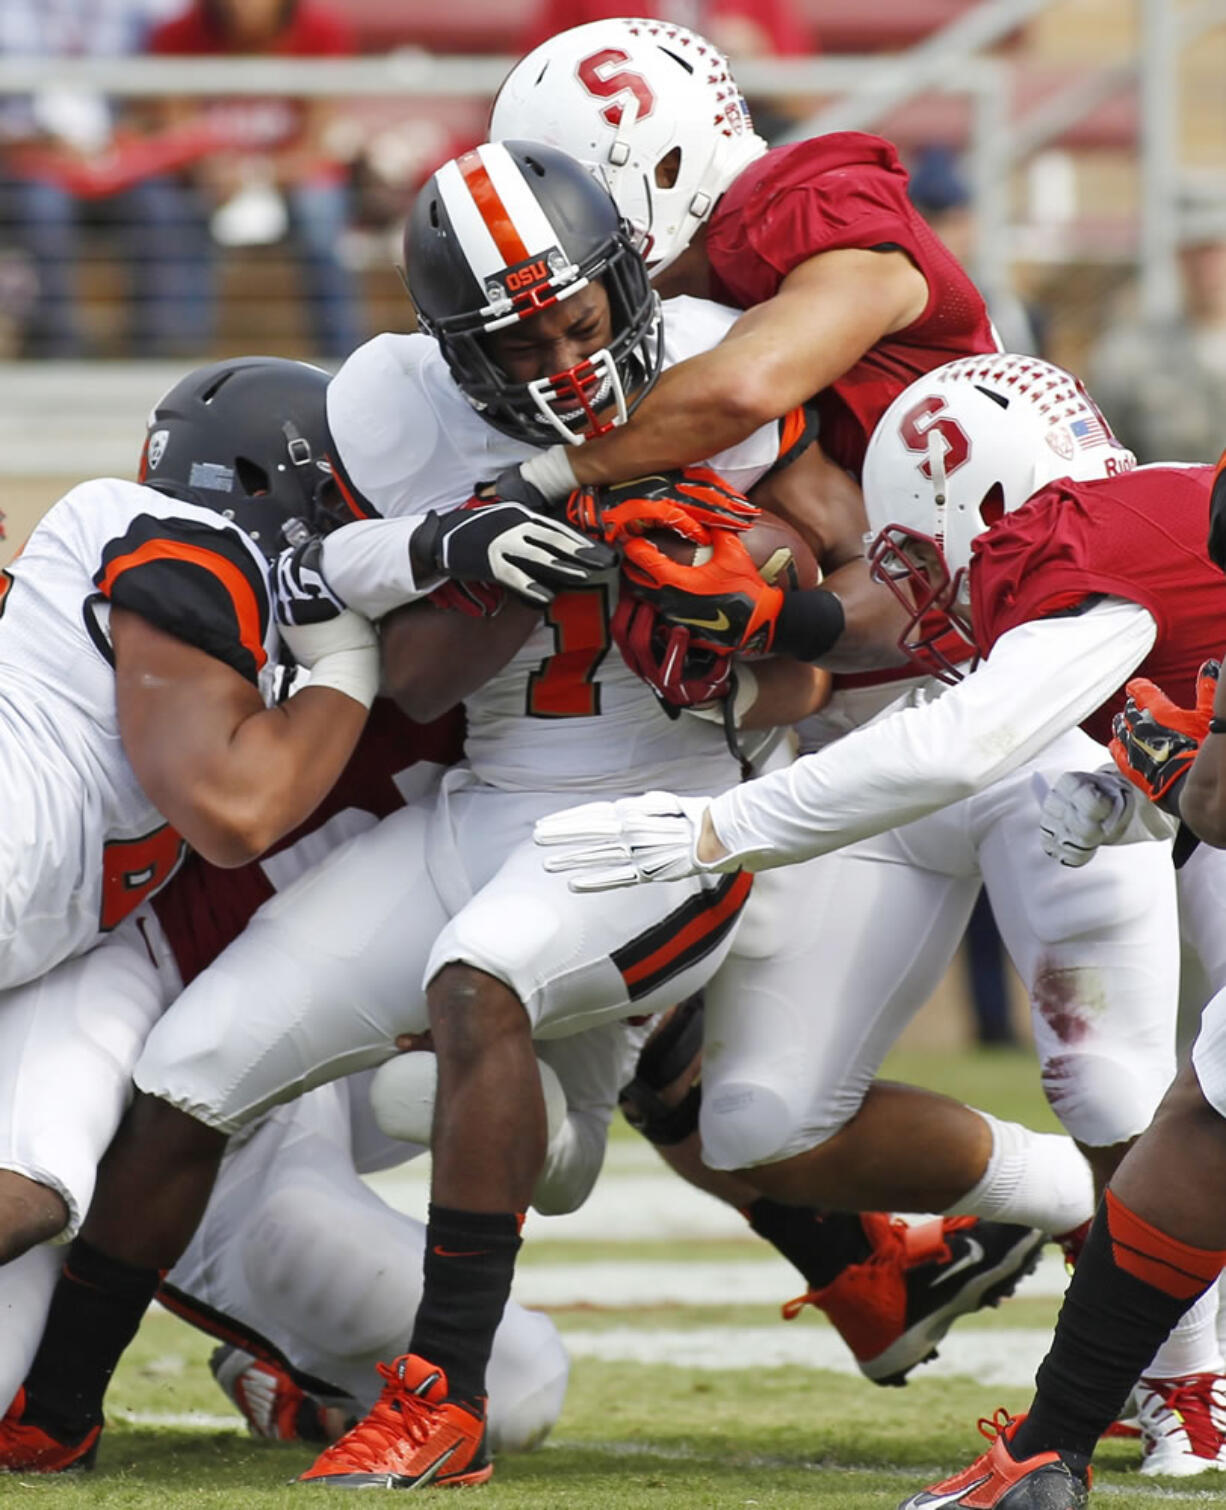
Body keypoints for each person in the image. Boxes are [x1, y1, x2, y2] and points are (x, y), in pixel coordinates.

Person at [535, 354, 1226, 1472]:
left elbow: (962, 739)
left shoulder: (1065, 538)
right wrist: (1134, 795)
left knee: (1147, 1089)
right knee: (759, 1120)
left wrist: (719, 829)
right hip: (913, 794)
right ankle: (1081, 1352)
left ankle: (1181, 1380)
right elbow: (1193, 738)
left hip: (953, 779)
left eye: (912, 550)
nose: (910, 583)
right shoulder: (1142, 525)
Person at [143, 0, 366, 357]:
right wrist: (212, 171)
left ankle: (345, 361)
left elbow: (320, 145)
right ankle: (179, 364)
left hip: (291, 177)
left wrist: (258, 174)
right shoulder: (178, 32)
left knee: (320, 215)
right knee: (170, 211)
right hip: (210, 178)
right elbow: (175, 131)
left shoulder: (321, 30)